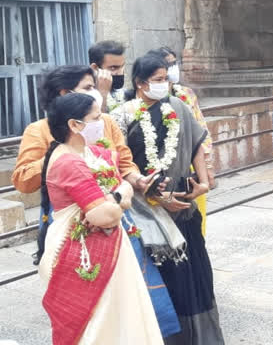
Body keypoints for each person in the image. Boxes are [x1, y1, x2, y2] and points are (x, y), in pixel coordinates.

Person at [11, 65, 180, 337]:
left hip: (116, 218)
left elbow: (124, 163)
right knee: (89, 303)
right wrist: (62, 153)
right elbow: (21, 179)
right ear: (65, 94)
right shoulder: (39, 131)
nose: (97, 94)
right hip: (75, 217)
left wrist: (136, 181)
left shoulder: (104, 122)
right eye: (88, 88)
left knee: (127, 292)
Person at [110, 54, 224, 345]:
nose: (165, 84)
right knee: (165, 280)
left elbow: (197, 142)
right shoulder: (121, 116)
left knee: (196, 275)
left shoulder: (178, 106)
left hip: (184, 205)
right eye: (158, 80)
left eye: (165, 78)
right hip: (146, 212)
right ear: (140, 83)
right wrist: (156, 197)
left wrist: (202, 182)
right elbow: (120, 165)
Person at [37, 92, 164, 345]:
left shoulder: (89, 154)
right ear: (74, 125)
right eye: (96, 118)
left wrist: (118, 194)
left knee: (115, 320)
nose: (102, 123)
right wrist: (119, 196)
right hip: (82, 252)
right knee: (99, 325)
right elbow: (105, 215)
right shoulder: (70, 162)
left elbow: (118, 191)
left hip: (104, 247)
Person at [148, 46, 216, 236]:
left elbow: (201, 131)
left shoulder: (186, 94)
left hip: (193, 164)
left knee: (195, 215)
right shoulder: (147, 100)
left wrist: (207, 167)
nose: (173, 68)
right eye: (168, 64)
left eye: (174, 63)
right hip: (164, 170)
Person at [88, 40, 127, 112]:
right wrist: (102, 94)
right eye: (113, 68)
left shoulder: (125, 93)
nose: (120, 73)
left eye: (122, 66)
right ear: (95, 68)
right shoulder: (85, 94)